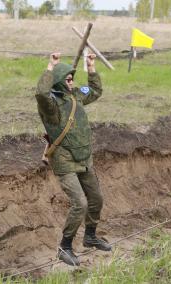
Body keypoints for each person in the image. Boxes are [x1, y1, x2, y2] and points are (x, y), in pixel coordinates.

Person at [35, 52, 111, 266]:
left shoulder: (76, 95)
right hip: (65, 159)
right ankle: (65, 247)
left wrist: (91, 66)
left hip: (84, 158)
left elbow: (95, 90)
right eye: (68, 79)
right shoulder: (49, 105)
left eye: (72, 78)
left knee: (96, 199)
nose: (72, 82)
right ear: (59, 81)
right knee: (80, 203)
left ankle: (90, 237)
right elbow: (41, 92)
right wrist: (51, 66)